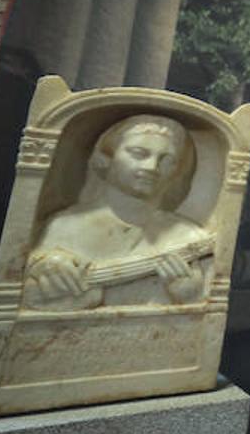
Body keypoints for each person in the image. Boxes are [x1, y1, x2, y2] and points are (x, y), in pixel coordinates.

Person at [23, 114, 212, 310]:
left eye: (166, 160)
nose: (151, 167)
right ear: (105, 158)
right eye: (138, 153)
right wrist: (43, 266)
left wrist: (190, 297)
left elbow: (207, 314)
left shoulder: (189, 236)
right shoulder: (64, 226)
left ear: (176, 170)